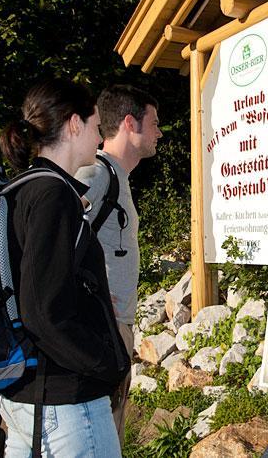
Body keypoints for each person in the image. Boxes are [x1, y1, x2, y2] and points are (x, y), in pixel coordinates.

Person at [0, 78, 129, 457]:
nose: (100, 139)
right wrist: (108, 364)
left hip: (24, 395)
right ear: (74, 125)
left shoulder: (19, 189)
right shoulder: (53, 195)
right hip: (65, 403)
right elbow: (44, 311)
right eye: (95, 127)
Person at [75, 84, 162, 445]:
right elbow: (49, 238)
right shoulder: (94, 175)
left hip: (113, 328)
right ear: (130, 123)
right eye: (154, 122)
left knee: (110, 433)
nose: (159, 132)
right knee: (100, 436)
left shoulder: (115, 179)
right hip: (100, 330)